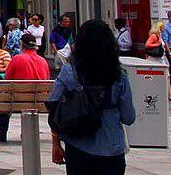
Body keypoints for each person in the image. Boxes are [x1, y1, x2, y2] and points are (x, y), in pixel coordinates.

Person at [49, 19, 135, 174]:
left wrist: (56, 143)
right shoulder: (119, 75)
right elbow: (129, 117)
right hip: (112, 145)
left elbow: (54, 106)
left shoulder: (70, 71)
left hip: (78, 143)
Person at [0, 33, 49, 142]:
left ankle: (2, 132)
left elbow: (8, 78)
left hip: (18, 100)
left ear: (22, 44)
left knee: (3, 100)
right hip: (40, 100)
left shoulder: (17, 59)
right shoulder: (43, 61)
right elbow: (47, 80)